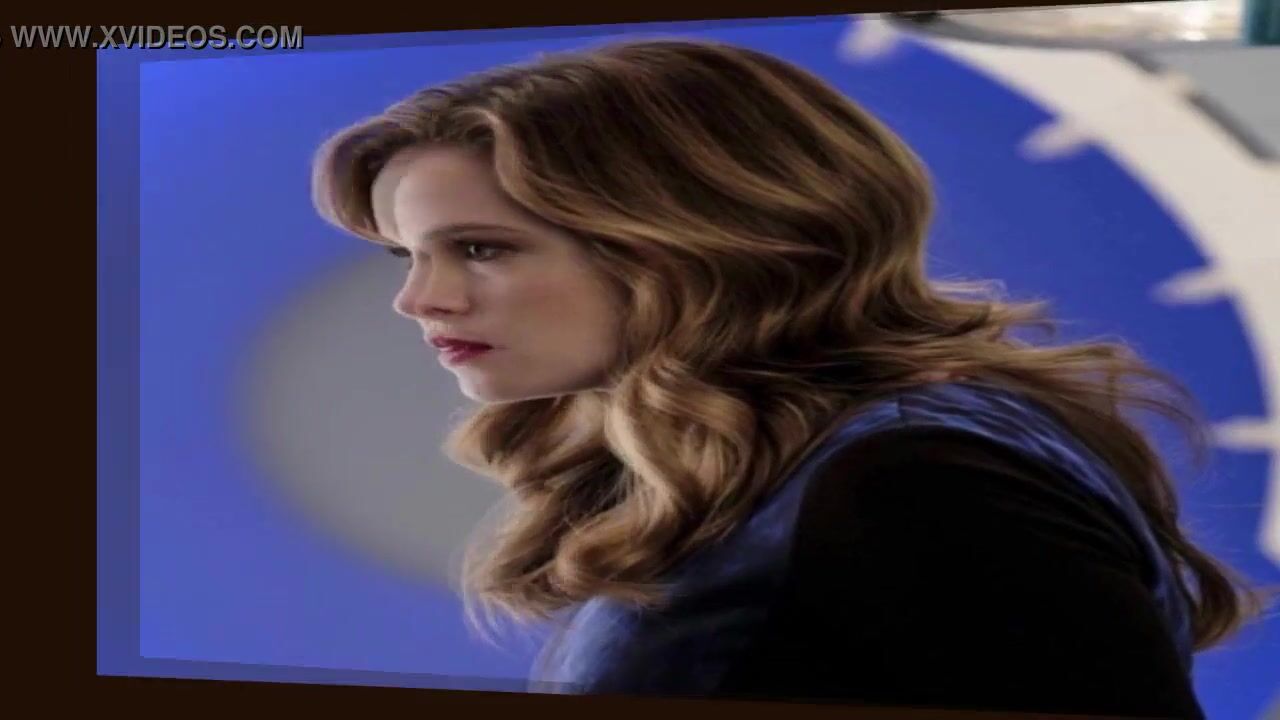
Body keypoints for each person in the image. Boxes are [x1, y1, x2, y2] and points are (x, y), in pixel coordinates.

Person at [310, 38, 1263, 718]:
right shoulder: (802, 460)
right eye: (407, 255)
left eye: (481, 248)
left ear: (695, 241)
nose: (419, 300)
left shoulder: (916, 479)